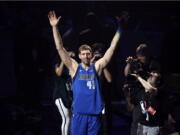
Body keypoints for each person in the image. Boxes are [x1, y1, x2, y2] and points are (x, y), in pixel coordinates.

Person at [48, 10, 121, 135]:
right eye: (83, 54)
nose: (86, 56)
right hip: (79, 115)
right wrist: (55, 27)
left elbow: (112, 48)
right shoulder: (74, 67)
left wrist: (120, 29)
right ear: (79, 56)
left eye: (88, 53)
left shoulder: (97, 67)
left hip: (94, 115)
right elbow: (60, 48)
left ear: (92, 55)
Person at [123, 43, 161, 135]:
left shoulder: (154, 65)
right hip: (141, 99)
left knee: (152, 120)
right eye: (138, 56)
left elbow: (151, 88)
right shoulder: (136, 62)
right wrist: (129, 64)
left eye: (141, 56)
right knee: (138, 122)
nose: (139, 58)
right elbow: (127, 75)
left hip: (152, 101)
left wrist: (139, 78)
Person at [91, 42, 112, 135]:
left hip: (102, 99)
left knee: (103, 122)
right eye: (95, 55)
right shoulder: (89, 65)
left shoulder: (105, 66)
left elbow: (109, 79)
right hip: (90, 99)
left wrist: (103, 65)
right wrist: (92, 61)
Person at [53, 50, 75, 135]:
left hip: (69, 96)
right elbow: (58, 73)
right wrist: (63, 59)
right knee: (66, 118)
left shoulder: (72, 66)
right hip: (60, 96)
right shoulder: (58, 62)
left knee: (71, 119)